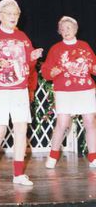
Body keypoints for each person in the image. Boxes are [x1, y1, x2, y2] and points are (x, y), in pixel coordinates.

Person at [0, 0, 43, 186]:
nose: (13, 17)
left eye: (16, 14)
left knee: (21, 129)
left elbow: (27, 63)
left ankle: (18, 174)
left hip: (18, 90)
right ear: (0, 16)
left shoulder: (23, 37)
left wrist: (33, 57)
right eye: (9, 13)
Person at [41, 16, 96, 168]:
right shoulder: (55, 49)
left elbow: (93, 65)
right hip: (64, 91)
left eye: (69, 28)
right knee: (63, 123)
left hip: (85, 89)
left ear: (75, 29)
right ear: (59, 31)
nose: (66, 31)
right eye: (63, 29)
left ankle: (93, 156)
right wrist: (53, 72)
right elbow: (46, 71)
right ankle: (53, 155)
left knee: (90, 121)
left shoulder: (84, 46)